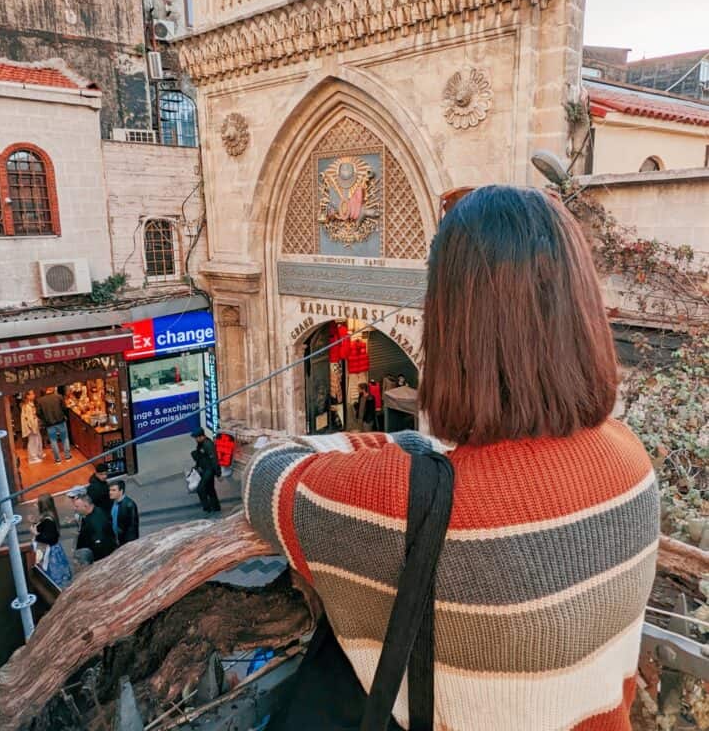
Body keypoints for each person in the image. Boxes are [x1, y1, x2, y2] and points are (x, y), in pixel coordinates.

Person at [243, 186, 660, 730]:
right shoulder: (631, 459)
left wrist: (401, 449)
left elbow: (264, 480)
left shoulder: (396, 500)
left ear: (451, 328)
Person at [31, 494, 72, 588]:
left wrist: (36, 534)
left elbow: (50, 538)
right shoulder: (51, 516)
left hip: (51, 553)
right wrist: (34, 523)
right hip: (54, 550)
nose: (35, 505)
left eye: (37, 503)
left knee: (54, 576)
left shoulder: (48, 520)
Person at [71, 486, 117, 562]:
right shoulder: (96, 511)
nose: (75, 509)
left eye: (77, 506)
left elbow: (100, 547)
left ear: (85, 506)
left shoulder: (96, 522)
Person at [190, 427, 221, 514]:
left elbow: (214, 459)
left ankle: (207, 508)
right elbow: (201, 457)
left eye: (197, 437)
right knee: (210, 489)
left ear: (202, 436)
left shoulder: (208, 444)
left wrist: (218, 473)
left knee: (201, 489)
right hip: (205, 469)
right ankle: (216, 507)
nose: (196, 439)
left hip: (209, 470)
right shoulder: (201, 444)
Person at [37, 387, 72, 463]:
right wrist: (64, 415)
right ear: (52, 388)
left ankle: (57, 459)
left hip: (49, 424)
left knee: (53, 441)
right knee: (65, 438)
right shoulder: (59, 397)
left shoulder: (40, 400)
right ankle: (67, 456)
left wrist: (45, 419)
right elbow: (64, 408)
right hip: (61, 421)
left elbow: (38, 413)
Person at [109, 479, 140, 545]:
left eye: (113, 490)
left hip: (125, 542)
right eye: (110, 490)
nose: (110, 492)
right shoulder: (112, 502)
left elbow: (132, 529)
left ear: (121, 491)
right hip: (117, 539)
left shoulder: (129, 505)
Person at [20, 391, 44, 464]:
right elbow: (29, 418)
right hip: (31, 426)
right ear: (27, 396)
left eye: (34, 393)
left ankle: (39, 454)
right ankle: (32, 458)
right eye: (32, 394)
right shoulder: (26, 406)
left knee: (38, 440)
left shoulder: (30, 404)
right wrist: (32, 428)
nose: (34, 395)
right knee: (33, 441)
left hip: (35, 425)